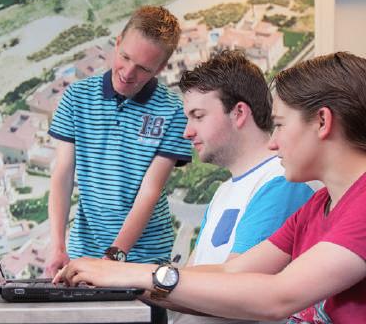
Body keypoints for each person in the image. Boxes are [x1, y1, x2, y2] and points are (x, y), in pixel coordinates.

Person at [54, 52, 366, 322]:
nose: (274, 141)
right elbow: (233, 273)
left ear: (323, 122)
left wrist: (132, 275)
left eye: (281, 124)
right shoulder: (319, 205)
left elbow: (278, 296)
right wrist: (116, 277)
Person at [45, 5, 193, 277]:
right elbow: (62, 174)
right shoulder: (75, 98)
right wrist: (57, 245)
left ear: (160, 68)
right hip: (84, 251)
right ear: (117, 42)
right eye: (124, 57)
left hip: (146, 256)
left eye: (143, 68)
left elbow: (149, 191)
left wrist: (114, 256)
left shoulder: (173, 110)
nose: (127, 72)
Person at [171, 50, 316, 324]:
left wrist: (139, 281)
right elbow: (189, 276)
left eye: (198, 116)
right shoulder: (224, 191)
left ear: (239, 113)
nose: (187, 131)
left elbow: (237, 292)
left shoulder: (281, 182)